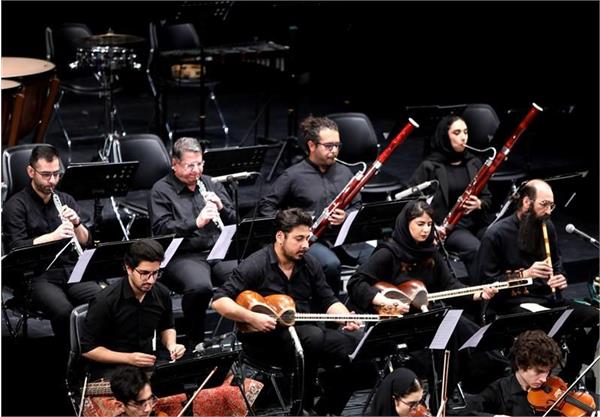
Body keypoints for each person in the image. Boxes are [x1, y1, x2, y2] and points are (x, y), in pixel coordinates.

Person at [212, 208, 364, 415]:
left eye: (307, 238)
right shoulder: (256, 264)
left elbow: (328, 299)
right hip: (265, 340)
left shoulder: (309, 263)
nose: (305, 245)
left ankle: (323, 410)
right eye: (299, 239)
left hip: (305, 337)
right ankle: (303, 408)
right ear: (280, 237)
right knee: (312, 336)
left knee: (358, 345)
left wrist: (344, 317)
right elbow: (219, 301)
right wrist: (252, 317)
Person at [347, 199, 501, 401]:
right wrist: (382, 301)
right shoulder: (388, 253)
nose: (426, 230)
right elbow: (356, 283)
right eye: (420, 224)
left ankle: (477, 383)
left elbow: (450, 286)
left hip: (430, 318)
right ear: (406, 224)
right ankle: (441, 398)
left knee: (470, 335)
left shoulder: (431, 253)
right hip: (401, 324)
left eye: (429, 224)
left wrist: (478, 294)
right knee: (453, 334)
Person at [477, 179, 599, 384]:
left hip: (546, 300)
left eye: (552, 205)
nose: (549, 211)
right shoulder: (495, 234)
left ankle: (570, 373)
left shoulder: (546, 227)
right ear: (526, 202)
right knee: (540, 321)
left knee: (594, 316)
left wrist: (560, 277)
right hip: (511, 304)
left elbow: (557, 263)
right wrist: (525, 274)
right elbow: (485, 282)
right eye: (544, 204)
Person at [2, 144, 102, 346]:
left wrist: (77, 224)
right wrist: (53, 237)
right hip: (36, 275)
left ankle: (99, 350)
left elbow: (86, 241)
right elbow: (16, 249)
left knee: (103, 299)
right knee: (63, 311)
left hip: (69, 269)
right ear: (31, 172)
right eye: (46, 175)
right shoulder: (16, 206)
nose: (53, 181)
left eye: (57, 174)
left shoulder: (65, 199)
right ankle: (71, 357)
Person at [258, 115, 367, 294]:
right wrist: (291, 226)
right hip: (310, 241)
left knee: (377, 256)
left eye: (337, 145)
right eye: (328, 146)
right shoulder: (292, 175)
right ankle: (330, 309)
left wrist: (346, 216)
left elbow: (357, 205)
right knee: (330, 265)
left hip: (342, 239)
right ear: (312, 145)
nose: (334, 151)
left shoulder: (345, 172)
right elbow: (266, 206)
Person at [149, 136, 237, 347]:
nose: (196, 170)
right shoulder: (161, 190)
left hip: (217, 251)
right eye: (190, 165)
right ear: (174, 164)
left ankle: (235, 336)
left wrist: (222, 209)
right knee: (199, 287)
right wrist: (195, 222)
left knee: (245, 275)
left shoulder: (210, 183)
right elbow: (161, 230)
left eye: (199, 164)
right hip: (182, 255)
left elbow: (236, 221)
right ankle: (195, 340)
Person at [80, 239, 186, 379]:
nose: (151, 280)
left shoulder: (161, 293)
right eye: (144, 273)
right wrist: (129, 358)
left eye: (155, 273)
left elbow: (167, 326)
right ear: (129, 269)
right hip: (112, 367)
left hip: (146, 362)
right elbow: (88, 349)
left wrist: (172, 346)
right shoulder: (104, 301)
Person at [409, 115, 493, 284]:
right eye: (457, 132)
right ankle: (481, 292)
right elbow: (413, 202)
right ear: (445, 136)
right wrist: (431, 225)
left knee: (496, 239)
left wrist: (479, 204)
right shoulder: (430, 166)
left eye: (465, 132)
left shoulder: (474, 163)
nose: (463, 137)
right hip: (450, 227)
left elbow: (487, 198)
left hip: (477, 222)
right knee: (474, 248)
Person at [462, 330, 563, 416]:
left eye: (547, 372)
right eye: (538, 371)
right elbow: (464, 413)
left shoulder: (552, 388)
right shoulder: (498, 390)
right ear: (520, 364)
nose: (544, 379)